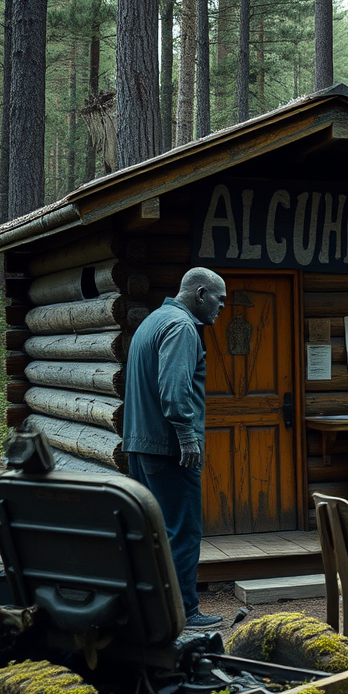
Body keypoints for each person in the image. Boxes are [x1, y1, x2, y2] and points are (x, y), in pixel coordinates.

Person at [123, 268, 227, 629]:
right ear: (201, 293)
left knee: (156, 532)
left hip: (141, 445)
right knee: (182, 530)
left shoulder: (154, 320)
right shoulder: (182, 327)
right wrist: (187, 435)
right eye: (219, 299)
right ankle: (185, 611)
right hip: (169, 448)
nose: (221, 307)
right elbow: (173, 389)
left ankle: (156, 610)